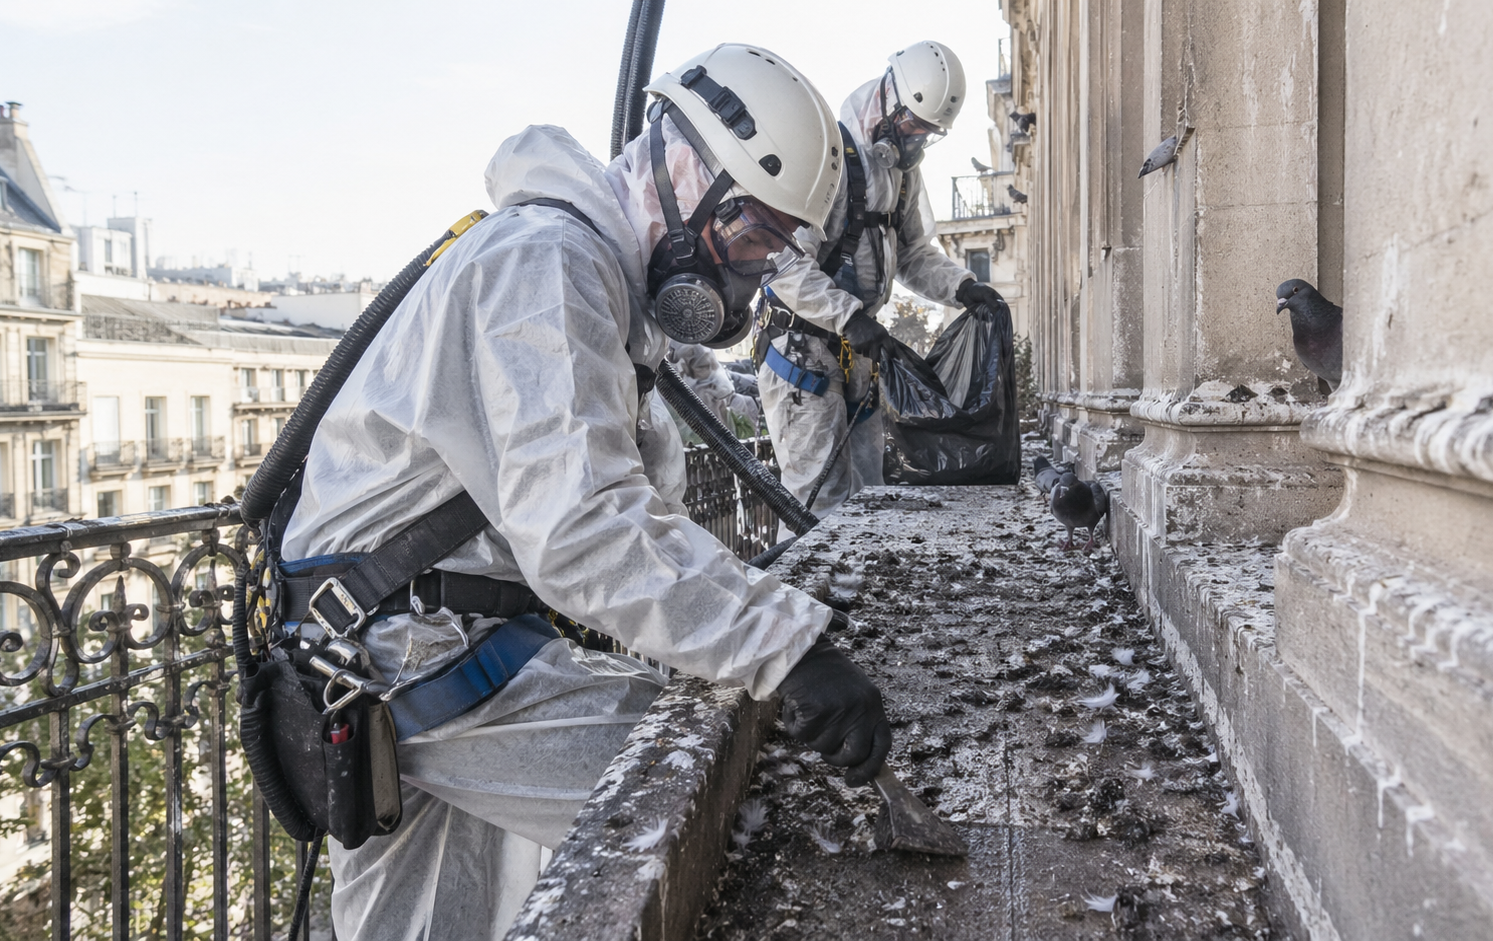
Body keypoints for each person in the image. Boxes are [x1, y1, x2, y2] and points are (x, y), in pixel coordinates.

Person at [277, 45, 891, 941]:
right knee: (710, 780)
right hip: (411, 651)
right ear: (688, 172)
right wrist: (785, 645)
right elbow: (585, 524)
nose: (754, 277)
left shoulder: (594, 278)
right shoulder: (546, 264)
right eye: (756, 236)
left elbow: (635, 506)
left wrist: (768, 608)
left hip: (408, 643)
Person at [756, 40, 1007, 523]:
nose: (917, 140)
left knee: (869, 493)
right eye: (914, 125)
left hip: (858, 349)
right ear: (891, 98)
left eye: (929, 133)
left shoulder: (902, 174)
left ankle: (860, 594)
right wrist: (848, 316)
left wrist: (962, 287)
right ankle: (811, 596)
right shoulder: (825, 152)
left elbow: (912, 253)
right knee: (816, 500)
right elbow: (780, 261)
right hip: (800, 349)